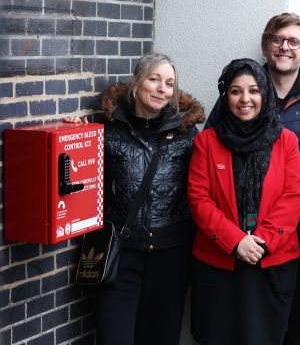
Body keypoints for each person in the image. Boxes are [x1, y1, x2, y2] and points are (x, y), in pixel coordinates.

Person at [205, 12, 300, 345]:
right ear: (265, 47)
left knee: (298, 326)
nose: (285, 48)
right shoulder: (241, 93)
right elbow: (208, 156)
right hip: (240, 239)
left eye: (294, 42)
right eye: (278, 40)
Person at [66, 52, 205, 344]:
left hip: (170, 257)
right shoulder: (108, 130)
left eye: (168, 83)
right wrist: (75, 137)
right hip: (120, 253)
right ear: (135, 83)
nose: (161, 89)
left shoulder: (187, 134)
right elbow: (84, 178)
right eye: (154, 79)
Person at [187, 58, 300, 345]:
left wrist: (261, 240)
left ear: (265, 94)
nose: (245, 99)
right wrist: (236, 240)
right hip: (219, 262)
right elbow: (199, 199)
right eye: (235, 91)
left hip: (271, 262)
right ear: (225, 95)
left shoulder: (286, 140)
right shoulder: (206, 142)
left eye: (253, 91)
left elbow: (294, 195)